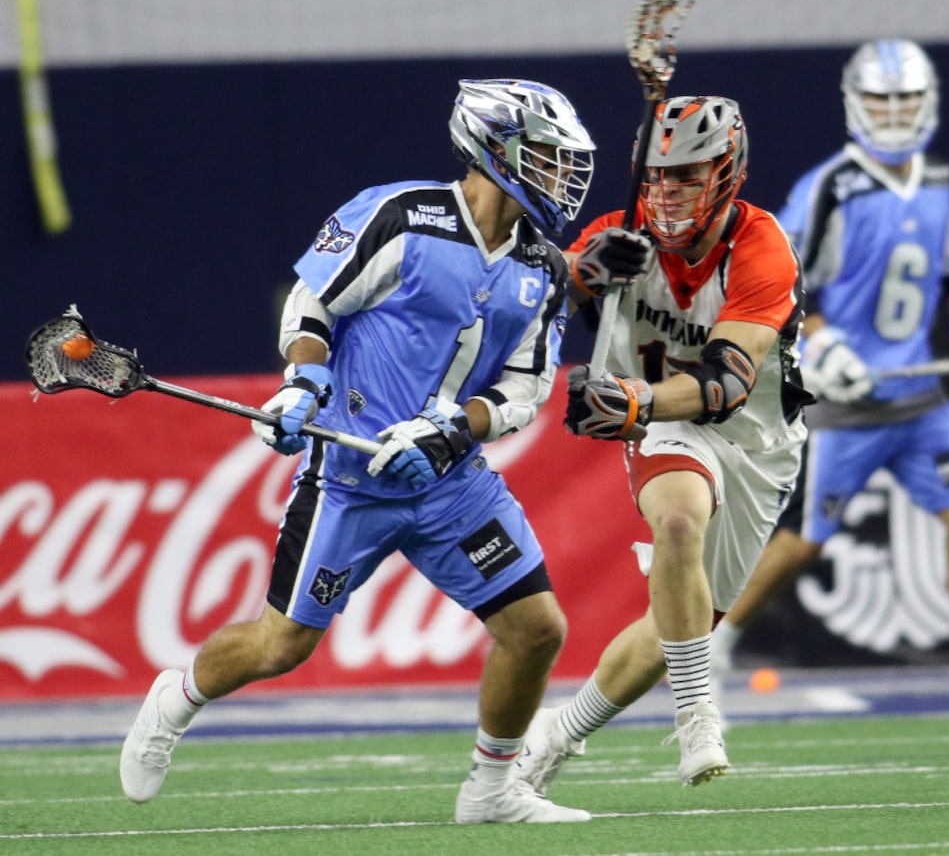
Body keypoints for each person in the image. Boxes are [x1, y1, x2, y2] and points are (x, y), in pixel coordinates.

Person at [119, 78, 600, 824]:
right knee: (281, 645)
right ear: (491, 145)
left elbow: (523, 389)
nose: (559, 175)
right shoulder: (400, 215)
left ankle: (493, 791)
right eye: (543, 155)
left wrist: (448, 432)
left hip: (451, 484)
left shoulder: (543, 267)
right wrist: (303, 384)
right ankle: (175, 699)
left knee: (537, 629)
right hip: (349, 482)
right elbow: (313, 302)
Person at [710, 38, 949, 724]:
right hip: (845, 402)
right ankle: (711, 647)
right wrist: (821, 343)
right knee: (798, 542)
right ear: (856, 104)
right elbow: (773, 278)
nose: (895, 112)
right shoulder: (831, 187)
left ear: (927, 101)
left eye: (906, 98)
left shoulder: (938, 183)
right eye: (881, 99)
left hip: (917, 399)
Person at [516, 95, 812, 793]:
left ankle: (560, 732)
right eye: (655, 177)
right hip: (664, 430)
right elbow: (525, 297)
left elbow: (723, 384)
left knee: (678, 624)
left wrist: (636, 398)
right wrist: (579, 272)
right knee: (679, 516)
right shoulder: (618, 232)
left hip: (754, 439)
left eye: (684, 177)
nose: (666, 194)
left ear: (727, 172)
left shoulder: (762, 246)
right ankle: (697, 712)